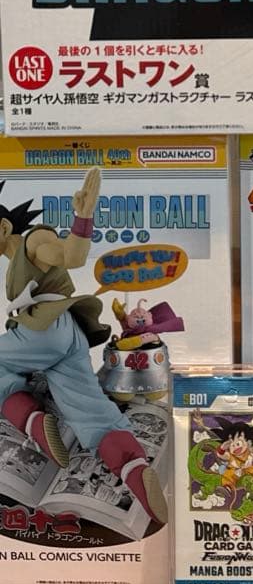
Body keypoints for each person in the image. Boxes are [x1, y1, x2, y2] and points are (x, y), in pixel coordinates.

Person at [0, 170, 167, 525]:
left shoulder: (34, 240)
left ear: (2, 228)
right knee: (91, 412)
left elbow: (71, 256)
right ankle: (135, 469)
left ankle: (32, 421)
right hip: (67, 335)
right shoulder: (17, 260)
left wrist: (84, 217)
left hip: (46, 329)